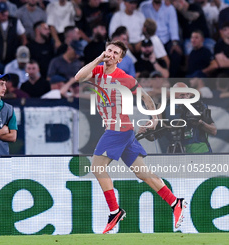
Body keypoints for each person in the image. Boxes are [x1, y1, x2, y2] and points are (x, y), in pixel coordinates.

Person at [74, 40, 186, 234]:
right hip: (120, 130)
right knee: (142, 173)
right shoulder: (98, 71)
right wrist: (98, 58)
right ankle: (175, 202)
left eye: (115, 53)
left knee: (97, 167)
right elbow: (78, 77)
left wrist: (155, 118)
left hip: (118, 130)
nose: (110, 54)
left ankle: (114, 211)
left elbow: (145, 97)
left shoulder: (124, 78)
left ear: (120, 59)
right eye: (108, 50)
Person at [162, 82, 217, 153]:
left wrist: (200, 123)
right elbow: (159, 132)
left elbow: (214, 131)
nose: (185, 97)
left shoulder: (199, 107)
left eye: (187, 94)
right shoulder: (167, 109)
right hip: (176, 151)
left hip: (201, 152)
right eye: (182, 95)